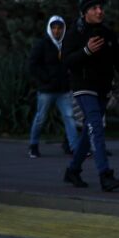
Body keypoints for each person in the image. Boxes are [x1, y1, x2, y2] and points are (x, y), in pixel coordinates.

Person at [61, 0, 119, 192]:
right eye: (94, 8)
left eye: (101, 7)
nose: (99, 11)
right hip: (83, 87)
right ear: (85, 12)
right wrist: (86, 51)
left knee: (89, 131)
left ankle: (73, 170)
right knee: (96, 125)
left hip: (103, 88)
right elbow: (66, 61)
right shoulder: (75, 33)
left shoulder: (107, 33)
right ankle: (105, 175)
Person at [26, 16, 81, 159]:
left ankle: (75, 148)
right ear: (49, 29)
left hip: (63, 90)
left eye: (59, 28)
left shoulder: (66, 44)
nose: (57, 31)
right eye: (54, 28)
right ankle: (33, 145)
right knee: (41, 118)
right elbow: (32, 64)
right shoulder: (42, 44)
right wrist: (45, 78)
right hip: (47, 90)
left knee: (69, 117)